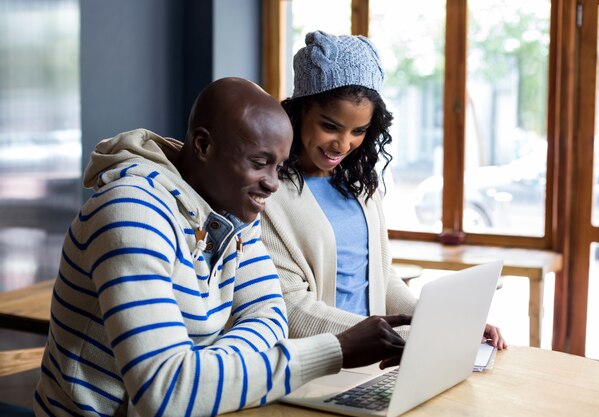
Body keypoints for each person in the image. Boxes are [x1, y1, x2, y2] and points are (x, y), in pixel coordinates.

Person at [34, 77, 411, 417]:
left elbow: (270, 317)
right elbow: (166, 393)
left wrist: (202, 374)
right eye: (260, 163)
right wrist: (336, 350)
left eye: (278, 167)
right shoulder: (131, 212)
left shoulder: (232, 215)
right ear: (203, 145)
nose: (273, 184)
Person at [260, 31, 506, 348]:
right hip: (318, 365)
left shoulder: (360, 186)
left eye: (359, 130)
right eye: (330, 126)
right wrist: (396, 335)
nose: (343, 144)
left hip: (378, 356)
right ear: (299, 113)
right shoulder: (268, 195)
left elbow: (383, 280)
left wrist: (442, 321)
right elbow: (291, 308)